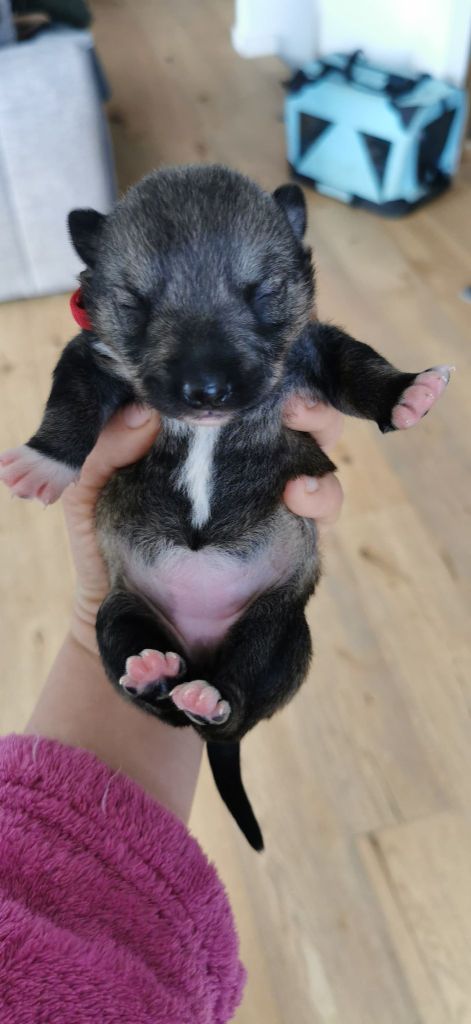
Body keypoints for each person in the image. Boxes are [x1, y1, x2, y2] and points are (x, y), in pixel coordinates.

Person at [0, 399, 344, 1024]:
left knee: (241, 630)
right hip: (175, 604)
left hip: (167, 589)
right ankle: (224, 707)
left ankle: (209, 699)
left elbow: (42, 857)